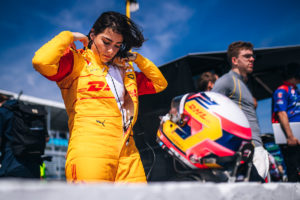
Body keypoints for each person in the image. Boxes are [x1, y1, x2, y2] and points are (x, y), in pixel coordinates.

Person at [32, 11, 167, 183]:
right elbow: (41, 62)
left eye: (118, 45)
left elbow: (159, 83)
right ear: (93, 34)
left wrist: (137, 59)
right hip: (90, 148)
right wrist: (69, 36)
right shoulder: (76, 61)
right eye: (106, 42)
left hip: (127, 152)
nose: (111, 50)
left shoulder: (124, 70)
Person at [212, 41, 269, 181]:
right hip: (246, 150)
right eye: (247, 56)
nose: (252, 59)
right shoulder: (227, 80)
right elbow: (211, 108)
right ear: (235, 60)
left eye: (252, 55)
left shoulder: (241, 83)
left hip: (256, 147)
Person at [0, 94, 41, 178]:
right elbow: (46, 138)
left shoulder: (3, 111)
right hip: (34, 168)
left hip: (10, 165)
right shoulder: (30, 111)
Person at [272, 62, 300, 182]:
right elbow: (281, 113)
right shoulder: (281, 91)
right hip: (290, 139)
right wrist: (290, 136)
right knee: (293, 169)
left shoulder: (295, 90)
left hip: (297, 135)